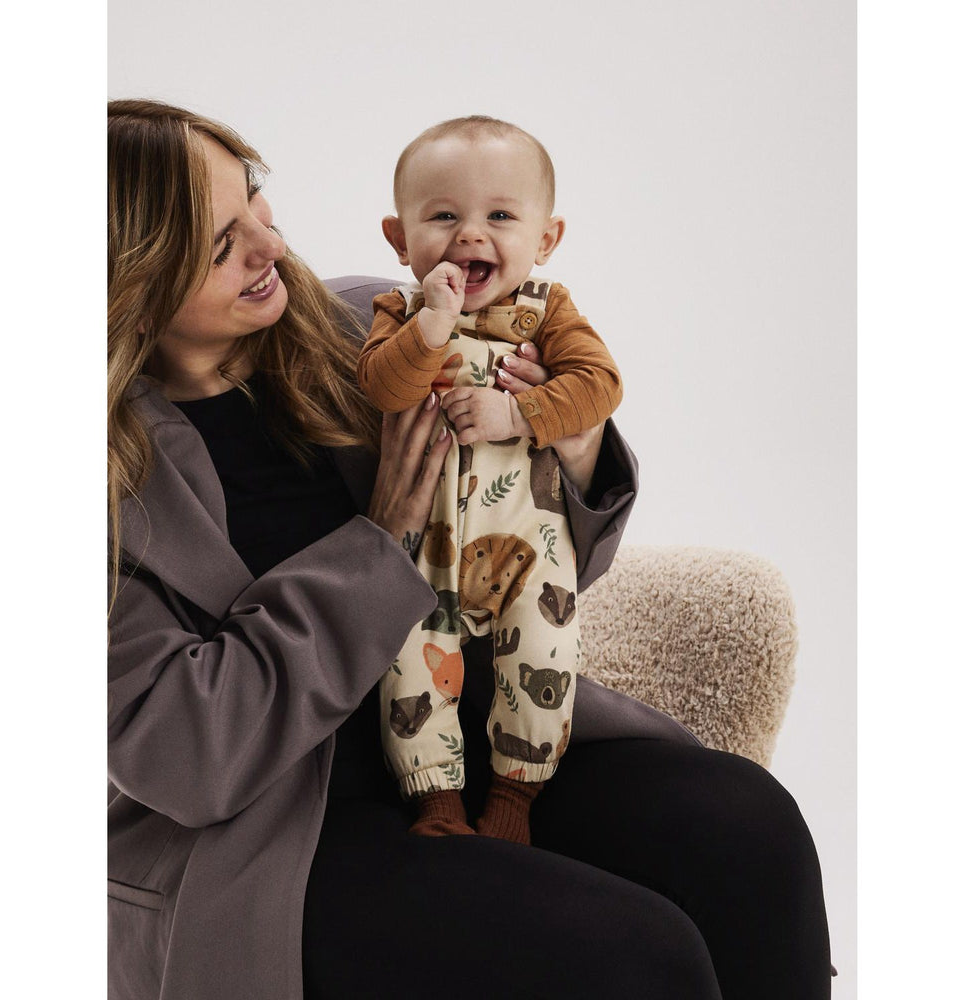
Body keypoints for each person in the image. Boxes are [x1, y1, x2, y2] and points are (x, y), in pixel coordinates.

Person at [107, 98, 833, 1000]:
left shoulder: (373, 331)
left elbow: (535, 570)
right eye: (223, 245)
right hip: (284, 825)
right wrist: (379, 545)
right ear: (129, 281)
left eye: (256, 202)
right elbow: (190, 756)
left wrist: (572, 452)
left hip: (484, 732)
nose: (272, 245)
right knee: (633, 958)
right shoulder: (107, 487)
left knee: (751, 832)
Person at [358, 116, 622, 843]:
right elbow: (383, 386)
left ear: (546, 238)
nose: (471, 235)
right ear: (399, 238)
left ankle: (513, 799)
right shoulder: (399, 314)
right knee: (408, 668)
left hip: (530, 550)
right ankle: (436, 804)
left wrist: (518, 413)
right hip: (425, 555)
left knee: (544, 658)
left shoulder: (547, 311)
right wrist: (433, 324)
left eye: (501, 217)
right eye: (443, 216)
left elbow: (600, 385)